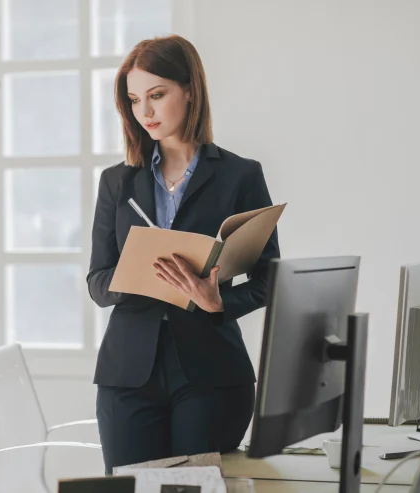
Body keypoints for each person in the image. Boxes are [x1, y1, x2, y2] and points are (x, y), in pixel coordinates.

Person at [88, 34, 281, 473]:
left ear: (190, 90)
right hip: (127, 376)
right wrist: (136, 276)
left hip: (211, 374)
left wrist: (218, 302)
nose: (146, 112)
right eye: (135, 100)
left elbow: (270, 279)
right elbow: (97, 280)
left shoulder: (240, 175)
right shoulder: (117, 182)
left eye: (157, 95)